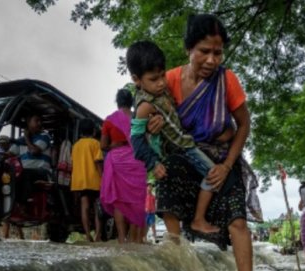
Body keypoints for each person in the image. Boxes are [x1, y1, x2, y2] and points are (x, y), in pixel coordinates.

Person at [146, 14, 262, 271]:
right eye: (204, 52)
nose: (212, 60)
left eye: (218, 53)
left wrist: (228, 166)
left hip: (223, 157)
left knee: (237, 220)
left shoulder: (228, 81)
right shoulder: (169, 80)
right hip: (186, 156)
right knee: (168, 177)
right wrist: (154, 125)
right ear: (189, 50)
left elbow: (244, 124)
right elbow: (156, 121)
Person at [127, 40, 231, 236]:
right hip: (182, 149)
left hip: (184, 146)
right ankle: (199, 220)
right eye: (153, 79)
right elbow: (136, 140)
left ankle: (193, 225)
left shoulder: (161, 90)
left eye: (162, 76)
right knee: (214, 175)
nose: (160, 83)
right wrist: (153, 163)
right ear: (137, 79)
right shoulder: (144, 106)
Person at [99, 89, 147, 244]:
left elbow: (103, 145)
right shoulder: (138, 117)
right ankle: (136, 238)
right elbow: (145, 140)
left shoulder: (110, 120)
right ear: (131, 101)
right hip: (137, 160)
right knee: (136, 200)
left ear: (117, 102)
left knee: (119, 200)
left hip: (117, 161)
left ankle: (121, 238)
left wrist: (117, 144)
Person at [71, 118, 103, 242]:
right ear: (94, 131)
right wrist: (103, 178)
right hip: (94, 180)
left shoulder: (75, 146)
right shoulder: (95, 143)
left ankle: (87, 235)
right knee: (97, 208)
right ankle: (98, 236)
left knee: (84, 207)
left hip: (80, 181)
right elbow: (98, 162)